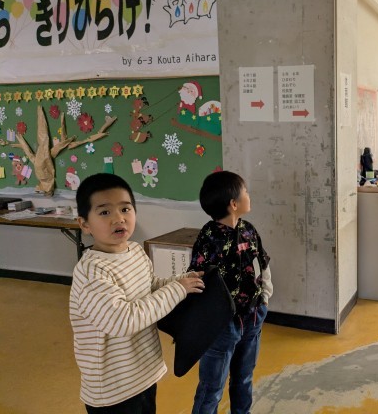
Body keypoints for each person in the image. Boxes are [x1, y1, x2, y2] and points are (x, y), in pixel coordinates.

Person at [69, 173, 205, 413]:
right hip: (114, 390)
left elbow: (149, 285)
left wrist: (181, 281)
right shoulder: (91, 272)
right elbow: (122, 320)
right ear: (84, 224)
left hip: (143, 373)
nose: (118, 218)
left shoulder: (135, 251)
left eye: (125, 209)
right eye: (104, 212)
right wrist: (177, 289)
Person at [189, 170, 273, 414]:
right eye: (245, 191)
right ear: (234, 204)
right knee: (212, 388)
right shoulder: (208, 237)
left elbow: (262, 263)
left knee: (243, 379)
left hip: (253, 316)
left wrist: (265, 298)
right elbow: (197, 279)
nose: (249, 195)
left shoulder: (248, 229)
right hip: (221, 325)